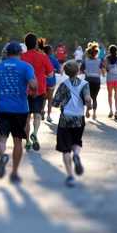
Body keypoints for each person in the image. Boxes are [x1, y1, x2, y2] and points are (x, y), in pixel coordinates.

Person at [0, 41, 39, 183]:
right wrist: (34, 92)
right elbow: (33, 84)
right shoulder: (26, 67)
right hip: (20, 109)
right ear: (20, 53)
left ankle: (2, 156)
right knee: (18, 141)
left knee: (2, 138)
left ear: (6, 53)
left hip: (2, 108)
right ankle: (15, 173)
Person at [50, 59, 93, 187]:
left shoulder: (64, 85)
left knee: (65, 148)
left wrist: (61, 102)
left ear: (66, 72)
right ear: (78, 70)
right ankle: (76, 155)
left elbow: (55, 103)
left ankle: (70, 176)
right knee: (76, 141)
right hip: (79, 119)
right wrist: (89, 108)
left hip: (65, 119)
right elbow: (87, 99)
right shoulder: (84, 84)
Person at [18, 33, 54, 151]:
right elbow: (50, 74)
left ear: (25, 44)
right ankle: (35, 133)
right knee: (37, 114)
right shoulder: (43, 57)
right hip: (39, 89)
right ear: (36, 44)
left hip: (24, 90)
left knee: (27, 117)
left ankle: (27, 141)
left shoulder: (21, 57)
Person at [81, 43, 104, 120]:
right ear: (96, 53)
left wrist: (86, 71)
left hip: (87, 80)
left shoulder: (85, 61)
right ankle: (94, 114)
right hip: (96, 80)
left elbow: (81, 70)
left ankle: (87, 111)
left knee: (88, 97)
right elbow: (102, 71)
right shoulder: (99, 61)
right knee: (94, 98)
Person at [103, 44, 117, 120]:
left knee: (109, 95)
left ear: (109, 51)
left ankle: (110, 111)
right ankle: (116, 111)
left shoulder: (106, 59)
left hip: (110, 79)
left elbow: (106, 69)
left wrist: (109, 69)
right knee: (116, 96)